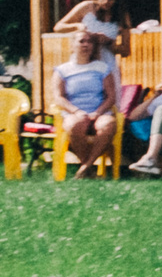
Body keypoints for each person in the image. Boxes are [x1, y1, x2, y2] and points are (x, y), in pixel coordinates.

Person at [51, 31, 119, 174]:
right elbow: (58, 97)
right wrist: (76, 111)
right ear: (72, 45)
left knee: (108, 125)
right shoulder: (62, 70)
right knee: (75, 125)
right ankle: (87, 166)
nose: (86, 45)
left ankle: (86, 166)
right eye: (82, 41)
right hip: (74, 113)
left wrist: (98, 112)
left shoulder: (102, 68)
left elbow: (111, 96)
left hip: (98, 112)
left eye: (89, 42)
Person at [53, 0, 128, 58]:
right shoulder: (86, 7)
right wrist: (79, 27)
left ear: (117, 0)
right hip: (83, 61)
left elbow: (126, 51)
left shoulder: (121, 15)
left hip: (106, 63)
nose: (106, 1)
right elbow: (58, 27)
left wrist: (108, 43)